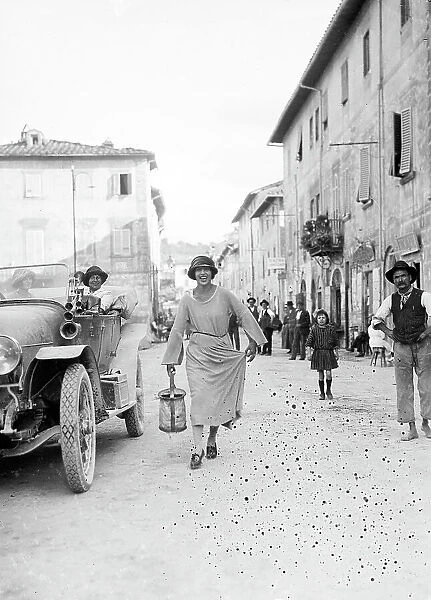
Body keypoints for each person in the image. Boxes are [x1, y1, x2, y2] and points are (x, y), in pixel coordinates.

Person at [162, 256, 267, 470]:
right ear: (193, 274)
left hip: (222, 351)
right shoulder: (187, 300)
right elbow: (177, 329)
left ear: (212, 272)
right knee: (200, 398)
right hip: (198, 353)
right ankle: (197, 448)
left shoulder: (225, 294)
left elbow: (243, 315)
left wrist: (253, 340)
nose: (203, 273)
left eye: (206, 269)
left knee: (217, 399)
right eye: (198, 270)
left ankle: (212, 438)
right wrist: (171, 359)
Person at [372, 260, 431, 441]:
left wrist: (426, 332)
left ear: (411, 277)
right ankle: (411, 427)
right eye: (397, 277)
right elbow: (376, 320)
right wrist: (390, 333)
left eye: (404, 276)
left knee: (427, 386)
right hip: (401, 348)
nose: (400, 280)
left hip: (423, 346)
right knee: (404, 388)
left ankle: (426, 423)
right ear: (394, 281)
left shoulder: (424, 296)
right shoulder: (391, 300)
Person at [305, 309, 339, 400]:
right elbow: (309, 343)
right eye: (319, 318)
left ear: (326, 318)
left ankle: (328, 390)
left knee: (328, 373)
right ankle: (322, 393)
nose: (321, 319)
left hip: (328, 353)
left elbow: (335, 342)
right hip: (318, 353)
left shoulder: (331, 329)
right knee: (320, 373)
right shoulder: (314, 330)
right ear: (316, 319)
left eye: (323, 317)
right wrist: (309, 354)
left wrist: (336, 353)